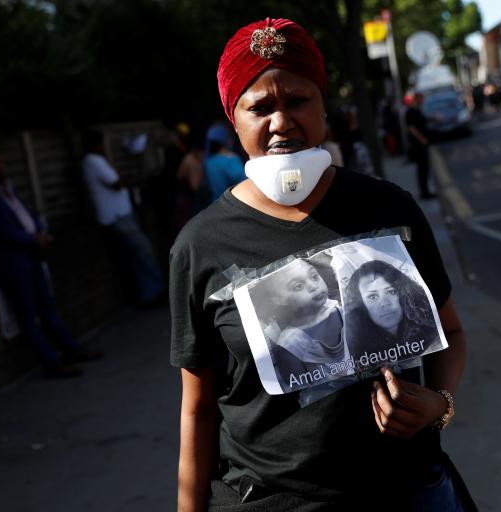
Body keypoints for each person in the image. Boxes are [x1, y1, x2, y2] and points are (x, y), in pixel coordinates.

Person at [170, 17, 473, 511]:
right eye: (260, 107)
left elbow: (452, 333)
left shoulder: (389, 208)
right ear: (235, 119)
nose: (281, 122)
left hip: (407, 489)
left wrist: (440, 404)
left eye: (297, 100)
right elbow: (198, 409)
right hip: (268, 499)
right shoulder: (199, 244)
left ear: (324, 107)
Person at [0, 149, 102, 378]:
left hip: (31, 255)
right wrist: (30, 238)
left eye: (1, 163)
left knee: (48, 306)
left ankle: (70, 349)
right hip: (13, 261)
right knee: (28, 314)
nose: (1, 168)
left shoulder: (8, 191)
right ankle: (51, 362)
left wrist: (39, 232)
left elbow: (25, 216)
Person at [81, 129, 165, 305]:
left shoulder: (91, 162)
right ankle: (156, 291)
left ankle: (148, 293)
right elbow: (116, 182)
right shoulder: (95, 161)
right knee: (144, 251)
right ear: (96, 145)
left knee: (136, 254)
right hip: (117, 215)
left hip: (117, 215)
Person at [250, 258, 345, 391]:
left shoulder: (340, 310)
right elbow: (300, 390)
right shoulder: (290, 345)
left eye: (314, 276)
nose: (313, 286)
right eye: (298, 286)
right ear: (279, 300)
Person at [344, 260, 437, 371]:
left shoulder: (430, 328)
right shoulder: (355, 347)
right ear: (361, 304)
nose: (384, 303)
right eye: (372, 297)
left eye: (391, 292)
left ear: (402, 293)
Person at [405, 92, 436, 199]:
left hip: (423, 144)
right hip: (418, 145)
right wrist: (421, 138)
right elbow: (411, 128)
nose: (423, 101)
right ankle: (424, 192)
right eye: (421, 99)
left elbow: (423, 121)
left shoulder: (418, 110)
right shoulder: (411, 111)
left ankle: (426, 191)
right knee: (422, 168)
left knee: (425, 168)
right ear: (417, 99)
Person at [203, 123, 245, 201]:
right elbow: (244, 182)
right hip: (232, 205)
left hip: (214, 204)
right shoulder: (231, 159)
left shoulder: (209, 161)